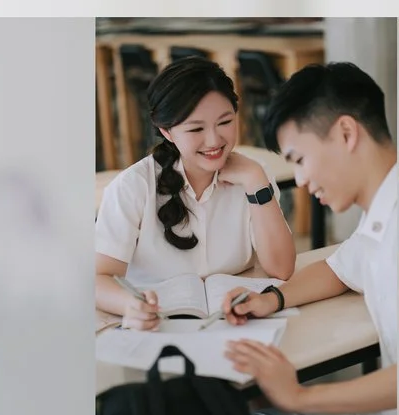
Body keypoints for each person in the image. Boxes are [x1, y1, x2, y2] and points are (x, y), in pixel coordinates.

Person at [220, 62, 399, 415]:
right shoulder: (384, 216)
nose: (299, 180)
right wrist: (271, 299)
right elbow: (339, 269)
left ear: (346, 133)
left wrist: (301, 397)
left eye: (299, 159)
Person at [95, 56, 296, 331]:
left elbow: (282, 269)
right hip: (157, 328)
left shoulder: (252, 175)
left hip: (236, 325)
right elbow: (98, 277)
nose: (214, 141)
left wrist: (255, 182)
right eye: (196, 129)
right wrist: (130, 305)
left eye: (225, 122)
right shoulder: (133, 186)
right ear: (167, 131)